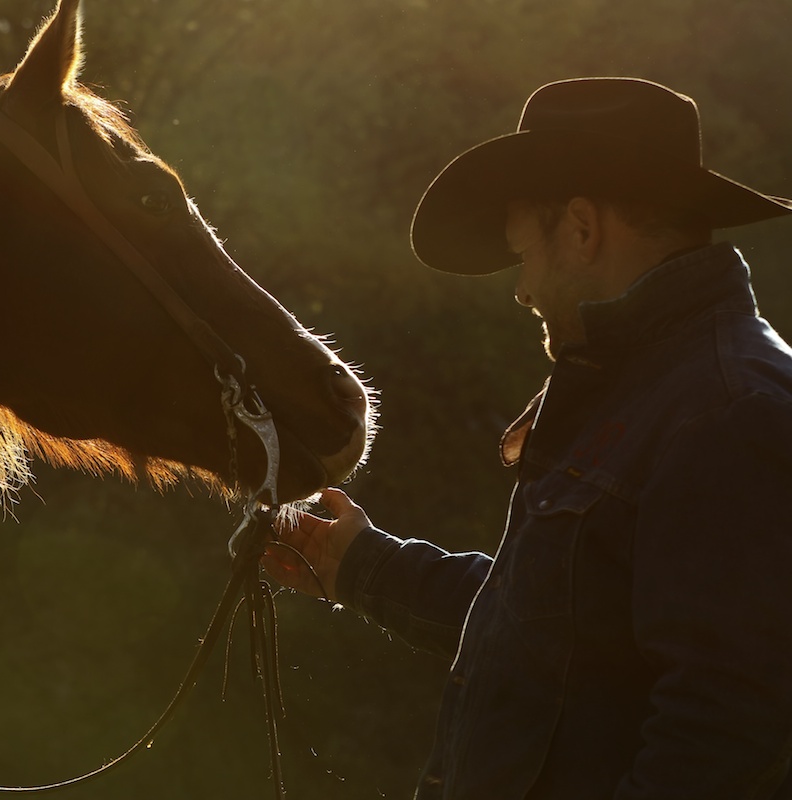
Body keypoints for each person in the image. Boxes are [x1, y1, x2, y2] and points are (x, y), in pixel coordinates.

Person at [263, 77, 792, 799]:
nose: (521, 290)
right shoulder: (653, 390)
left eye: (523, 255)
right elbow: (558, 627)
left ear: (581, 228)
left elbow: (727, 730)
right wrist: (363, 566)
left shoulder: (730, 411)